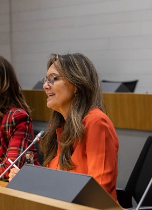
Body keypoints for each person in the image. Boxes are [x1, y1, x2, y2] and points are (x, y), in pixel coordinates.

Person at [9, 53, 119, 200]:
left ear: (76, 84)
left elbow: (99, 192)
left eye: (53, 79)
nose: (45, 85)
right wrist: (28, 180)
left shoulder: (96, 122)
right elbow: (55, 182)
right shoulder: (62, 126)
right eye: (45, 80)